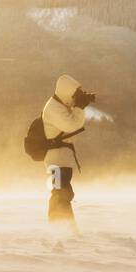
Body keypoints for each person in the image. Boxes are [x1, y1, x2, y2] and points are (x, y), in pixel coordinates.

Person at [42, 74, 95, 222]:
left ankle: (63, 224)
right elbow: (72, 125)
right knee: (61, 192)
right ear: (67, 93)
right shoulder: (54, 108)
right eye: (75, 94)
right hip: (56, 159)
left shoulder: (60, 105)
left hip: (60, 159)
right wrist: (79, 107)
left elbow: (73, 125)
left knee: (62, 191)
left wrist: (79, 105)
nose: (75, 98)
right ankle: (59, 224)